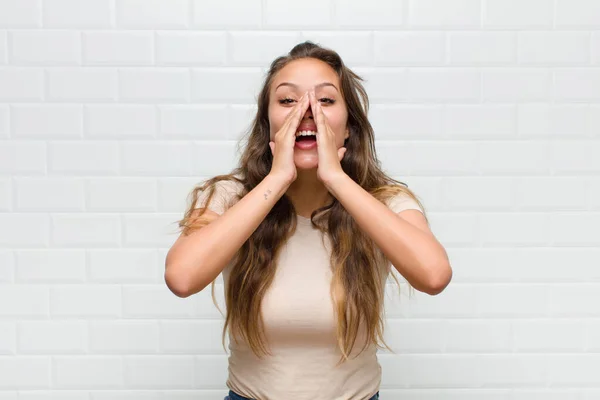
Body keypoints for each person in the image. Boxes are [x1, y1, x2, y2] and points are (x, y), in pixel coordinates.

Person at [165, 41, 452, 400]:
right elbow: (181, 277)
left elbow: (434, 275)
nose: (307, 112)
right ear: (267, 123)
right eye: (288, 101)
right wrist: (276, 179)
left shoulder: (386, 201)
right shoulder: (227, 196)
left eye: (326, 100)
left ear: (348, 127)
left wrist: (337, 179)